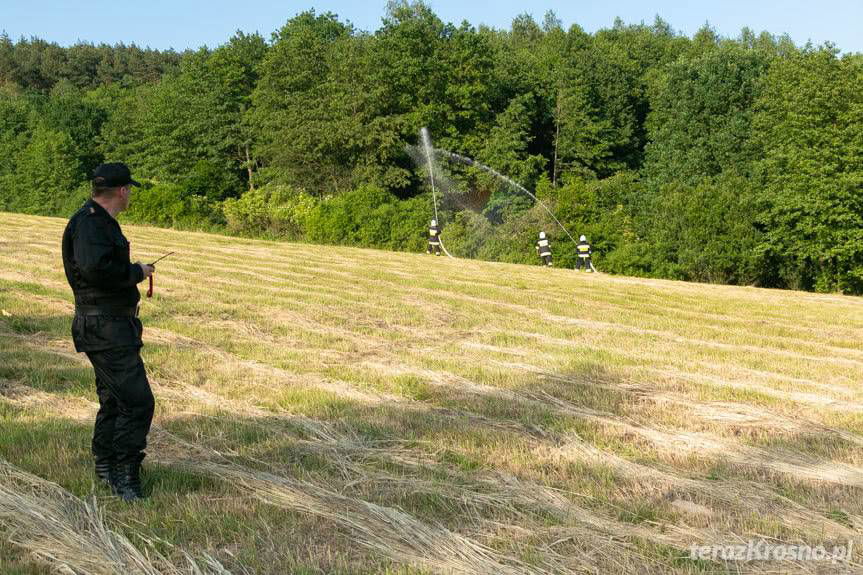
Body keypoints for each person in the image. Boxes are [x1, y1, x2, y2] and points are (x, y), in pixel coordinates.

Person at [61, 162, 155, 502]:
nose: (129, 196)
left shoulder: (96, 221)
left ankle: (105, 465)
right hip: (105, 327)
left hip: (110, 325)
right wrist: (136, 272)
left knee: (114, 398)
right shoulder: (90, 223)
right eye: (129, 190)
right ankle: (125, 475)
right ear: (122, 190)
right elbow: (95, 269)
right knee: (138, 401)